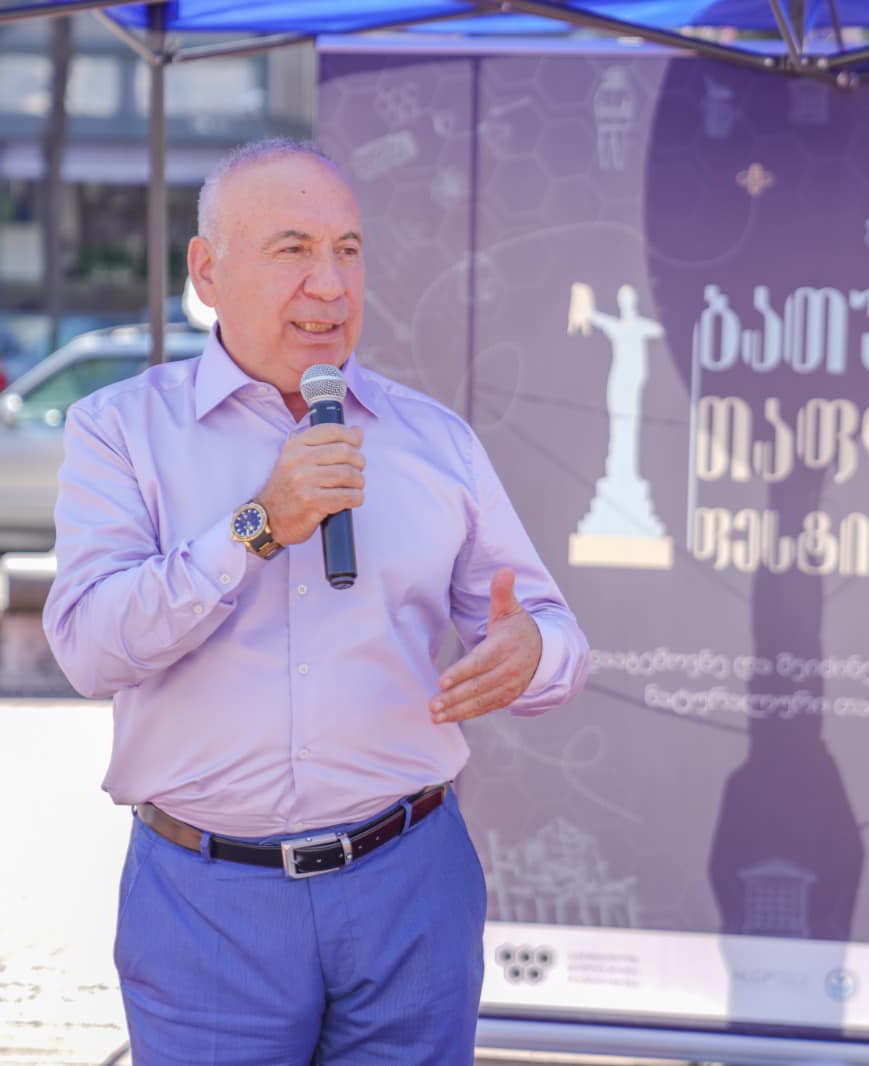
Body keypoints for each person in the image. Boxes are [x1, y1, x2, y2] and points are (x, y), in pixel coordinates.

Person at [41, 139, 590, 1064]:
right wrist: (258, 525)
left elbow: (553, 633)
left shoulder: (435, 441)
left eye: (349, 250)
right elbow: (90, 651)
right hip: (209, 903)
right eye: (293, 250)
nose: (330, 286)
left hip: (409, 885)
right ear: (207, 272)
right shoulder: (120, 431)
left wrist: (533, 652)